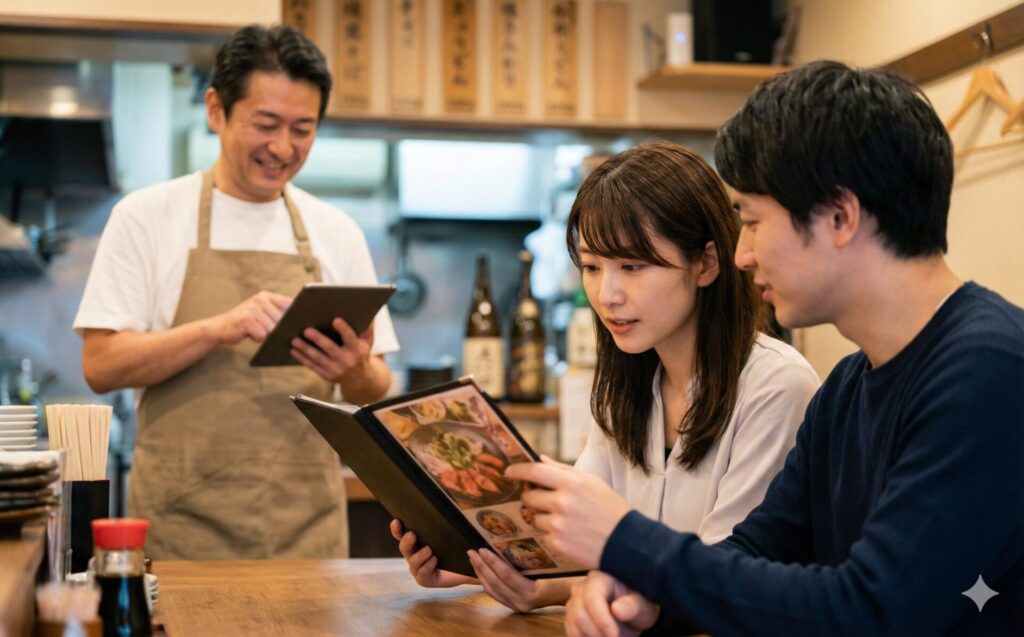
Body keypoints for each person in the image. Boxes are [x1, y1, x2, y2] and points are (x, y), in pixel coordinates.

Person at [509, 61, 1024, 636]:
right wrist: (640, 591)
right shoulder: (847, 390)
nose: (741, 255)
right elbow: (754, 556)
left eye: (751, 222)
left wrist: (625, 542)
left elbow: (873, 609)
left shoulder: (989, 368)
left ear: (839, 216)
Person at [391, 142, 820, 612]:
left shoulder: (776, 386)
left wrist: (551, 587)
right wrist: (472, 560)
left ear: (706, 263)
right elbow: (577, 549)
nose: (607, 294)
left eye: (632, 267)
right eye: (593, 267)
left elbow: (721, 578)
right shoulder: (626, 388)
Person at [74, 24, 399, 560]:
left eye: (303, 129)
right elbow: (100, 364)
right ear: (216, 110)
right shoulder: (146, 217)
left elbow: (376, 389)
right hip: (182, 535)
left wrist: (354, 370)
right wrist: (217, 329)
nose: (282, 147)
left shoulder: (336, 230)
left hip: (307, 536)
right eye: (266, 124)